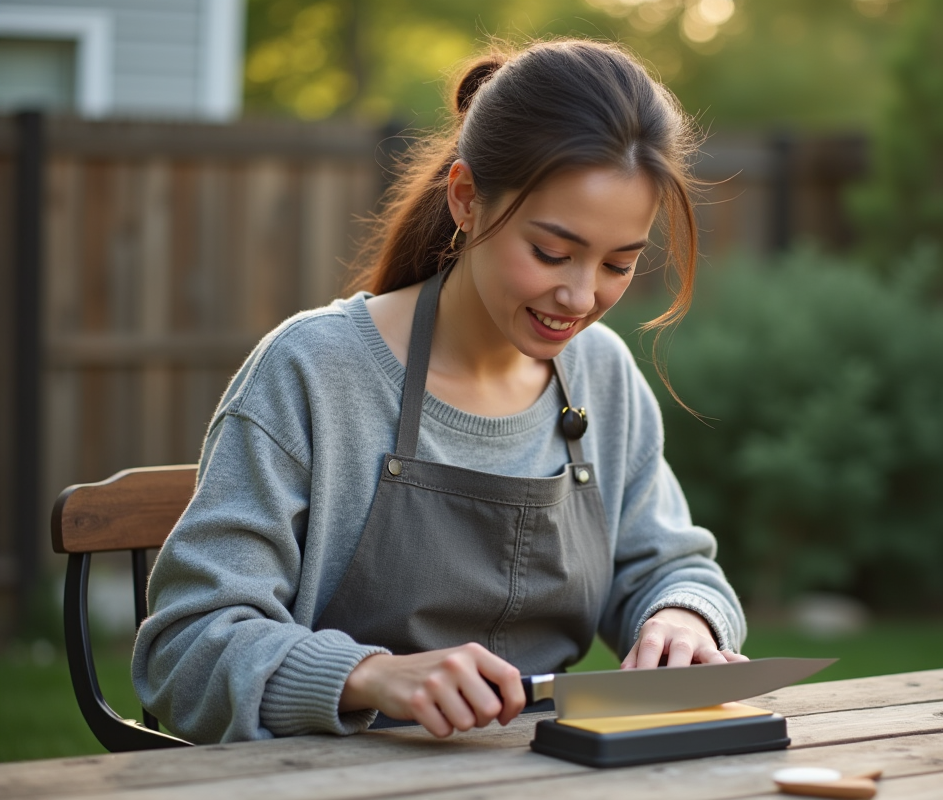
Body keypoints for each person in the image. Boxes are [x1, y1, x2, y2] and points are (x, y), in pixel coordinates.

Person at [132, 38, 746, 744]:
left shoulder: (600, 373)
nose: (580, 296)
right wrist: (368, 676)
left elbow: (670, 566)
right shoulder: (313, 371)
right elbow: (187, 648)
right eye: (551, 252)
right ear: (465, 200)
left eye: (619, 263)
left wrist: (683, 617)